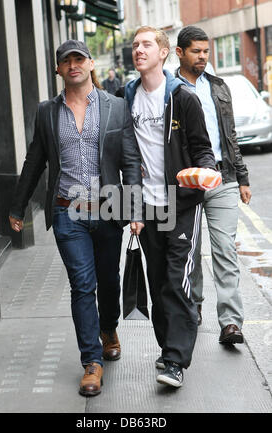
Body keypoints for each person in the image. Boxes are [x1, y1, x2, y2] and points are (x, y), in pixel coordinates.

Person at [9, 40, 143, 397]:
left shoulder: (116, 106)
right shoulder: (46, 112)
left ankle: (109, 327)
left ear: (90, 64)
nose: (73, 65)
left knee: (108, 280)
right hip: (68, 210)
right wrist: (17, 206)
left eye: (79, 59)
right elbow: (35, 160)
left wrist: (136, 209)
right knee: (83, 284)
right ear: (58, 69)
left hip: (109, 206)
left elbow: (130, 160)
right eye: (66, 61)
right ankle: (92, 360)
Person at [124, 26, 216, 388]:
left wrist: (205, 172)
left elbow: (203, 147)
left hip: (181, 204)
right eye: (135, 45)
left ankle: (176, 360)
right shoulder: (127, 96)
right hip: (148, 208)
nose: (139, 50)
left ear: (164, 53)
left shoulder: (183, 97)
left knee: (178, 281)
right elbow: (125, 154)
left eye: (147, 44)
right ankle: (168, 351)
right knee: (159, 280)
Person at [175, 26, 251, 343]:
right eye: (196, 51)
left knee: (225, 252)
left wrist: (243, 177)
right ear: (180, 53)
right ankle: (192, 309)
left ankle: (231, 322)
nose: (203, 57)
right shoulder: (170, 90)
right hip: (185, 181)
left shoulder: (218, 87)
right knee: (189, 252)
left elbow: (229, 136)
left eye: (206, 51)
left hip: (222, 177)